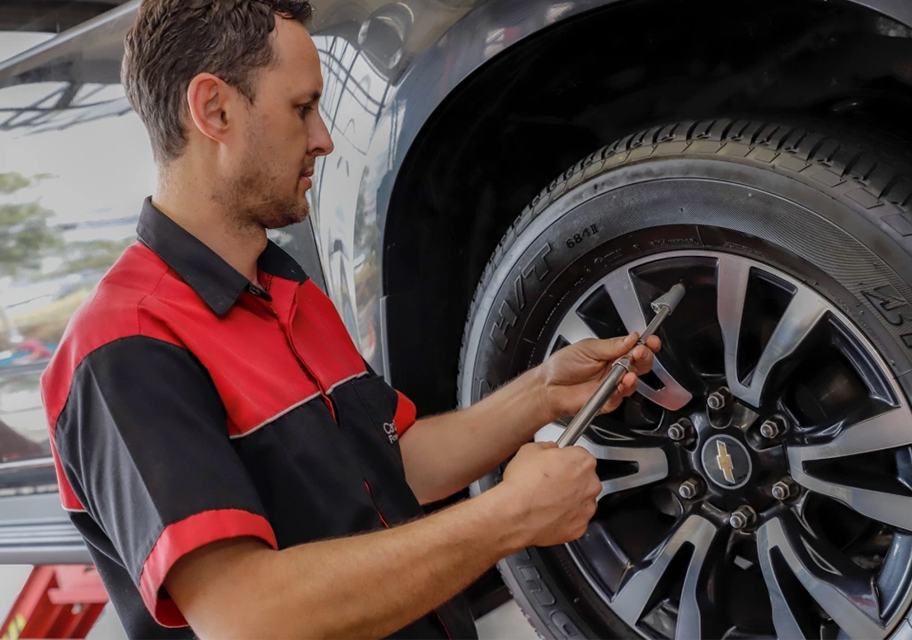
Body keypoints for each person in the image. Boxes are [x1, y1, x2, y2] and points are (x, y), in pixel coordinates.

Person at [40, 2, 661, 638]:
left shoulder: (285, 290)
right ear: (214, 110)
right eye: (302, 108)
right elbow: (246, 616)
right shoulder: (127, 347)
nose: (324, 139)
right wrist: (509, 516)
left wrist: (543, 392)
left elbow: (395, 463)